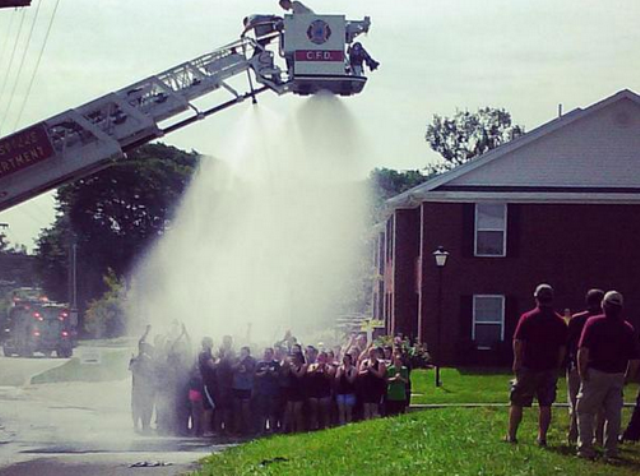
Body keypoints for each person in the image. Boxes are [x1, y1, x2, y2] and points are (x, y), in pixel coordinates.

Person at [576, 291, 640, 459]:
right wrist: (628, 377)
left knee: (586, 412)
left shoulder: (593, 323)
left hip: (595, 373)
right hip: (617, 375)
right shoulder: (627, 328)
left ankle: (585, 449)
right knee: (613, 415)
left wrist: (582, 372)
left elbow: (583, 351)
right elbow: (634, 359)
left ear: (603, 305)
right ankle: (611, 450)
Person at [506, 284, 568, 446]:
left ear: (536, 298)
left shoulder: (527, 317)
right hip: (549, 367)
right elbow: (562, 347)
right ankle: (542, 437)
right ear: (552, 299)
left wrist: (517, 361)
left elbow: (518, 341)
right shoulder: (559, 321)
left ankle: (511, 436)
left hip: (528, 366)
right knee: (545, 404)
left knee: (517, 401)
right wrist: (557, 364)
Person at [566, 289, 604, 445]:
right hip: (600, 366)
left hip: (577, 365)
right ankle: (599, 437)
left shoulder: (576, 320)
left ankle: (574, 433)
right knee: (601, 403)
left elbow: (569, 343)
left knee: (576, 401)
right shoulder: (605, 320)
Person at [129, 325, 155, 434]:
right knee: (138, 407)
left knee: (146, 407)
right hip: (139, 388)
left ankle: (145, 426)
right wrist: (146, 332)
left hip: (145, 389)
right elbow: (140, 343)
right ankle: (138, 426)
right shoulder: (137, 359)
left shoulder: (146, 360)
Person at [255, 347, 282, 434]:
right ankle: (262, 430)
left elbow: (277, 375)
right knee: (262, 411)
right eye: (266, 353)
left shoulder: (275, 364)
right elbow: (256, 375)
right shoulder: (259, 364)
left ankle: (271, 429)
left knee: (271, 411)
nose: (267, 355)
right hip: (262, 391)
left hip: (272, 391)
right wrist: (264, 372)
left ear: (272, 354)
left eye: (269, 353)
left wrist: (270, 371)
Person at [231, 346, 256, 435]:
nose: (243, 354)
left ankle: (248, 428)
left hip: (247, 387)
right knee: (237, 409)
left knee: (246, 409)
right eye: (242, 352)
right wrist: (240, 361)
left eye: (245, 353)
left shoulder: (252, 360)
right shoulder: (236, 359)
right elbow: (232, 369)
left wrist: (246, 362)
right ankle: (237, 429)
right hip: (237, 387)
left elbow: (253, 370)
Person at [306, 351, 334, 430]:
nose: (320, 358)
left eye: (322, 356)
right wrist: (317, 368)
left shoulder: (329, 367)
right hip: (314, 392)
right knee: (313, 411)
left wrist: (323, 368)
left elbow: (329, 376)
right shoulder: (312, 366)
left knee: (325, 411)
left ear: (325, 358)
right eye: (319, 356)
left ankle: (326, 426)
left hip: (325, 392)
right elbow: (309, 374)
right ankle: (313, 427)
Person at [358, 347, 387, 420]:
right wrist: (367, 370)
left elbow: (380, 374)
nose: (371, 354)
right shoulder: (365, 362)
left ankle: (374, 421)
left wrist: (371, 369)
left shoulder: (381, 363)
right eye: (370, 352)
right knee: (366, 407)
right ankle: (367, 422)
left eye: (373, 353)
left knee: (374, 407)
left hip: (376, 388)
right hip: (366, 387)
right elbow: (360, 373)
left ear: (377, 354)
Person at [198, 337, 217, 435]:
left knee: (209, 407)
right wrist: (220, 360)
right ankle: (206, 430)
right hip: (207, 383)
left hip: (209, 383)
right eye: (210, 342)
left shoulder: (206, 353)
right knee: (208, 407)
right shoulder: (205, 354)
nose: (212, 344)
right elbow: (213, 366)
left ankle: (207, 429)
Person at [285, 351, 307, 433]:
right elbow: (285, 374)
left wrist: (292, 368)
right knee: (290, 411)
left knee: (297, 411)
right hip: (291, 390)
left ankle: (299, 429)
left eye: (294, 356)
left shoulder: (303, 366)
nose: (293, 358)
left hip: (299, 390)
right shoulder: (290, 366)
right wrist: (286, 366)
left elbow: (299, 375)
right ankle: (292, 429)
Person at [335, 353, 357, 425]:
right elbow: (336, 379)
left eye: (346, 359)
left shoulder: (353, 369)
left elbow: (351, 380)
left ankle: (349, 423)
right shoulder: (339, 368)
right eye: (344, 359)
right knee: (341, 411)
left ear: (350, 360)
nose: (345, 361)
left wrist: (346, 373)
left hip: (350, 393)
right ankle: (342, 424)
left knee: (348, 410)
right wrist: (340, 373)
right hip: (340, 392)